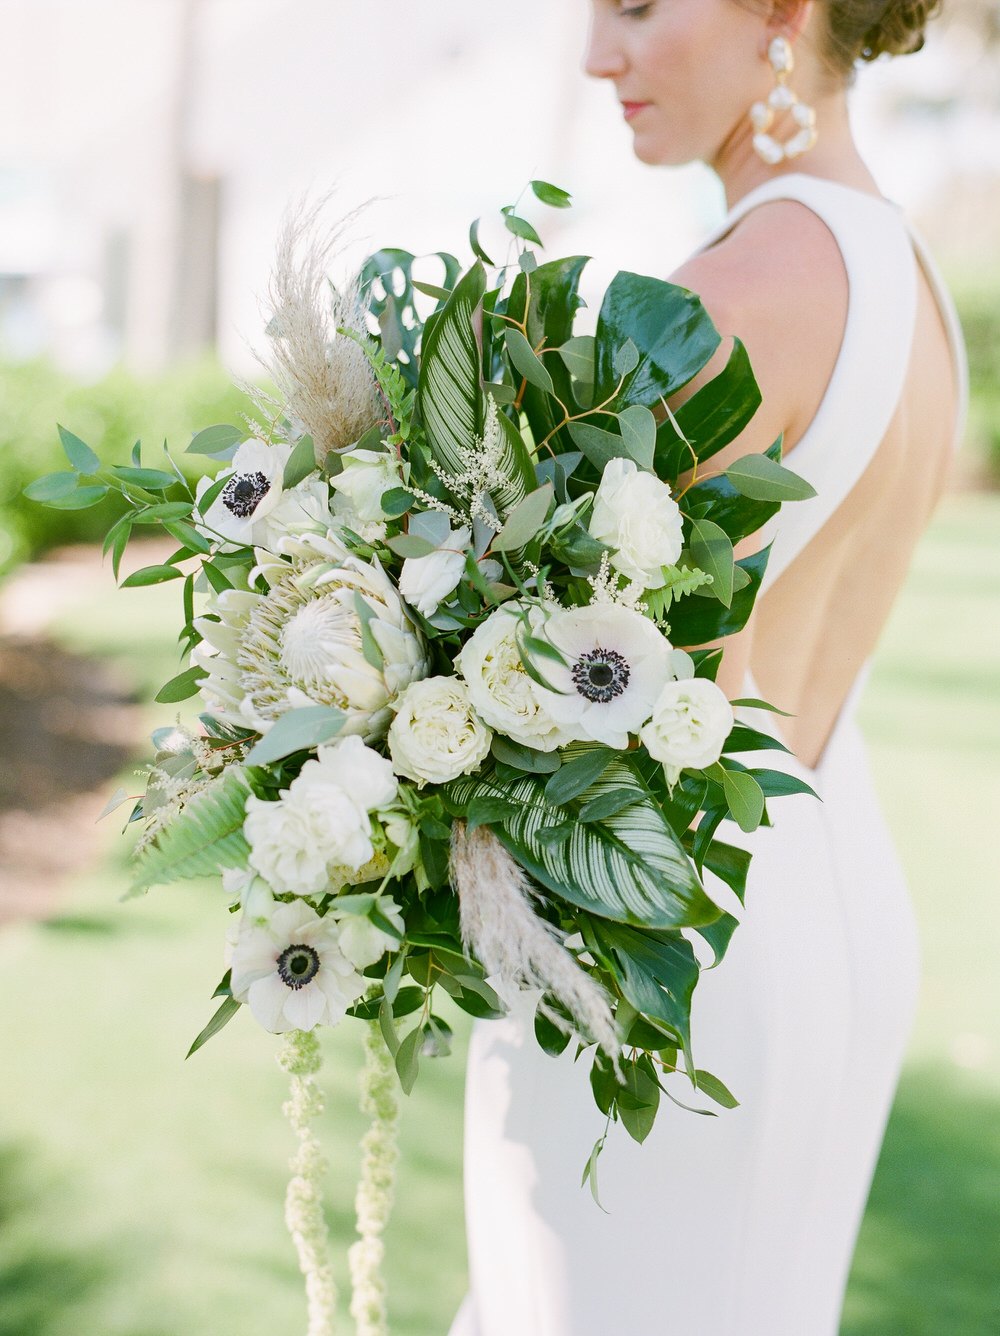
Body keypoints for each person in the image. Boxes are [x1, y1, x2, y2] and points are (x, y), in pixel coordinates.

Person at [449, 1, 968, 1333]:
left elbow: (549, 678)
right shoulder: (907, 277)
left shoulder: (719, 306)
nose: (595, 54)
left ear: (784, 12)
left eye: (634, 5)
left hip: (664, 939)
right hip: (830, 897)